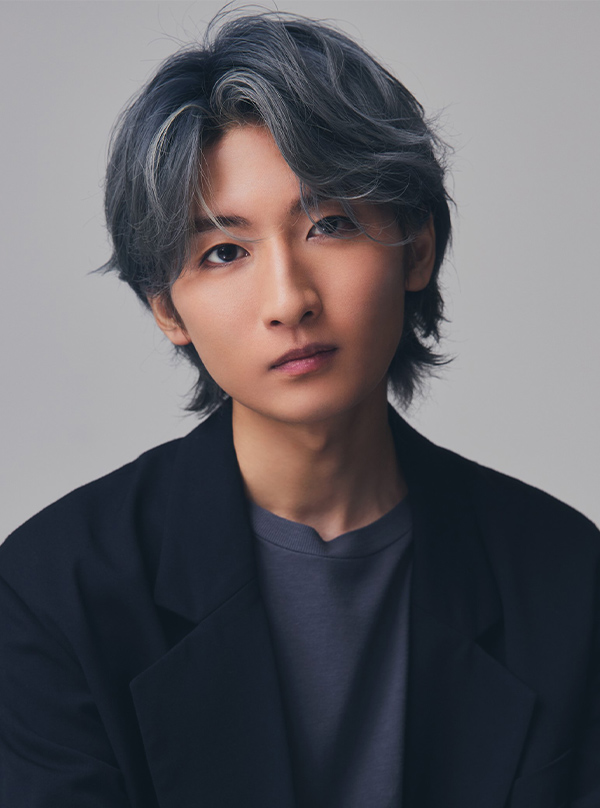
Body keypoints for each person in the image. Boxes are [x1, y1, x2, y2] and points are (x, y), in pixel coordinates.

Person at [0, 10, 598, 808]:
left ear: (416, 247)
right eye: (224, 252)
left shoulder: (563, 576)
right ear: (166, 309)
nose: (289, 300)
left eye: (330, 224)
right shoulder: (54, 591)